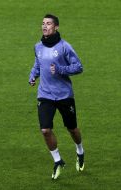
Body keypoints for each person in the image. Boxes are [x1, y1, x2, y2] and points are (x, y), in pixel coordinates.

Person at [29, 14, 85, 180]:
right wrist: (33, 75)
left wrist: (61, 69)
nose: (44, 26)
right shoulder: (38, 46)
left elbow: (79, 67)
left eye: (48, 23)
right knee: (45, 130)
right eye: (43, 23)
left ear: (56, 27)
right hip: (45, 94)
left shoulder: (64, 47)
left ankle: (80, 151)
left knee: (72, 129)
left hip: (64, 95)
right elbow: (38, 64)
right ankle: (57, 160)